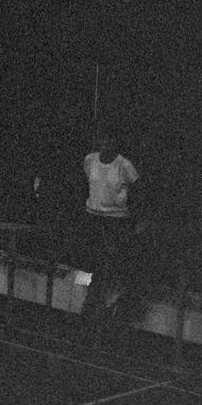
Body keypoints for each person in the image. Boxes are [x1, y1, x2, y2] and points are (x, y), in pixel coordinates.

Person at [73, 130, 141, 337]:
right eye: (103, 139)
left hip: (115, 220)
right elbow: (88, 183)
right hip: (94, 217)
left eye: (111, 139)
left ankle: (102, 312)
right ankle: (95, 309)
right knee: (96, 265)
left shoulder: (124, 165)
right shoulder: (90, 161)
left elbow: (139, 190)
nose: (106, 144)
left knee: (109, 264)